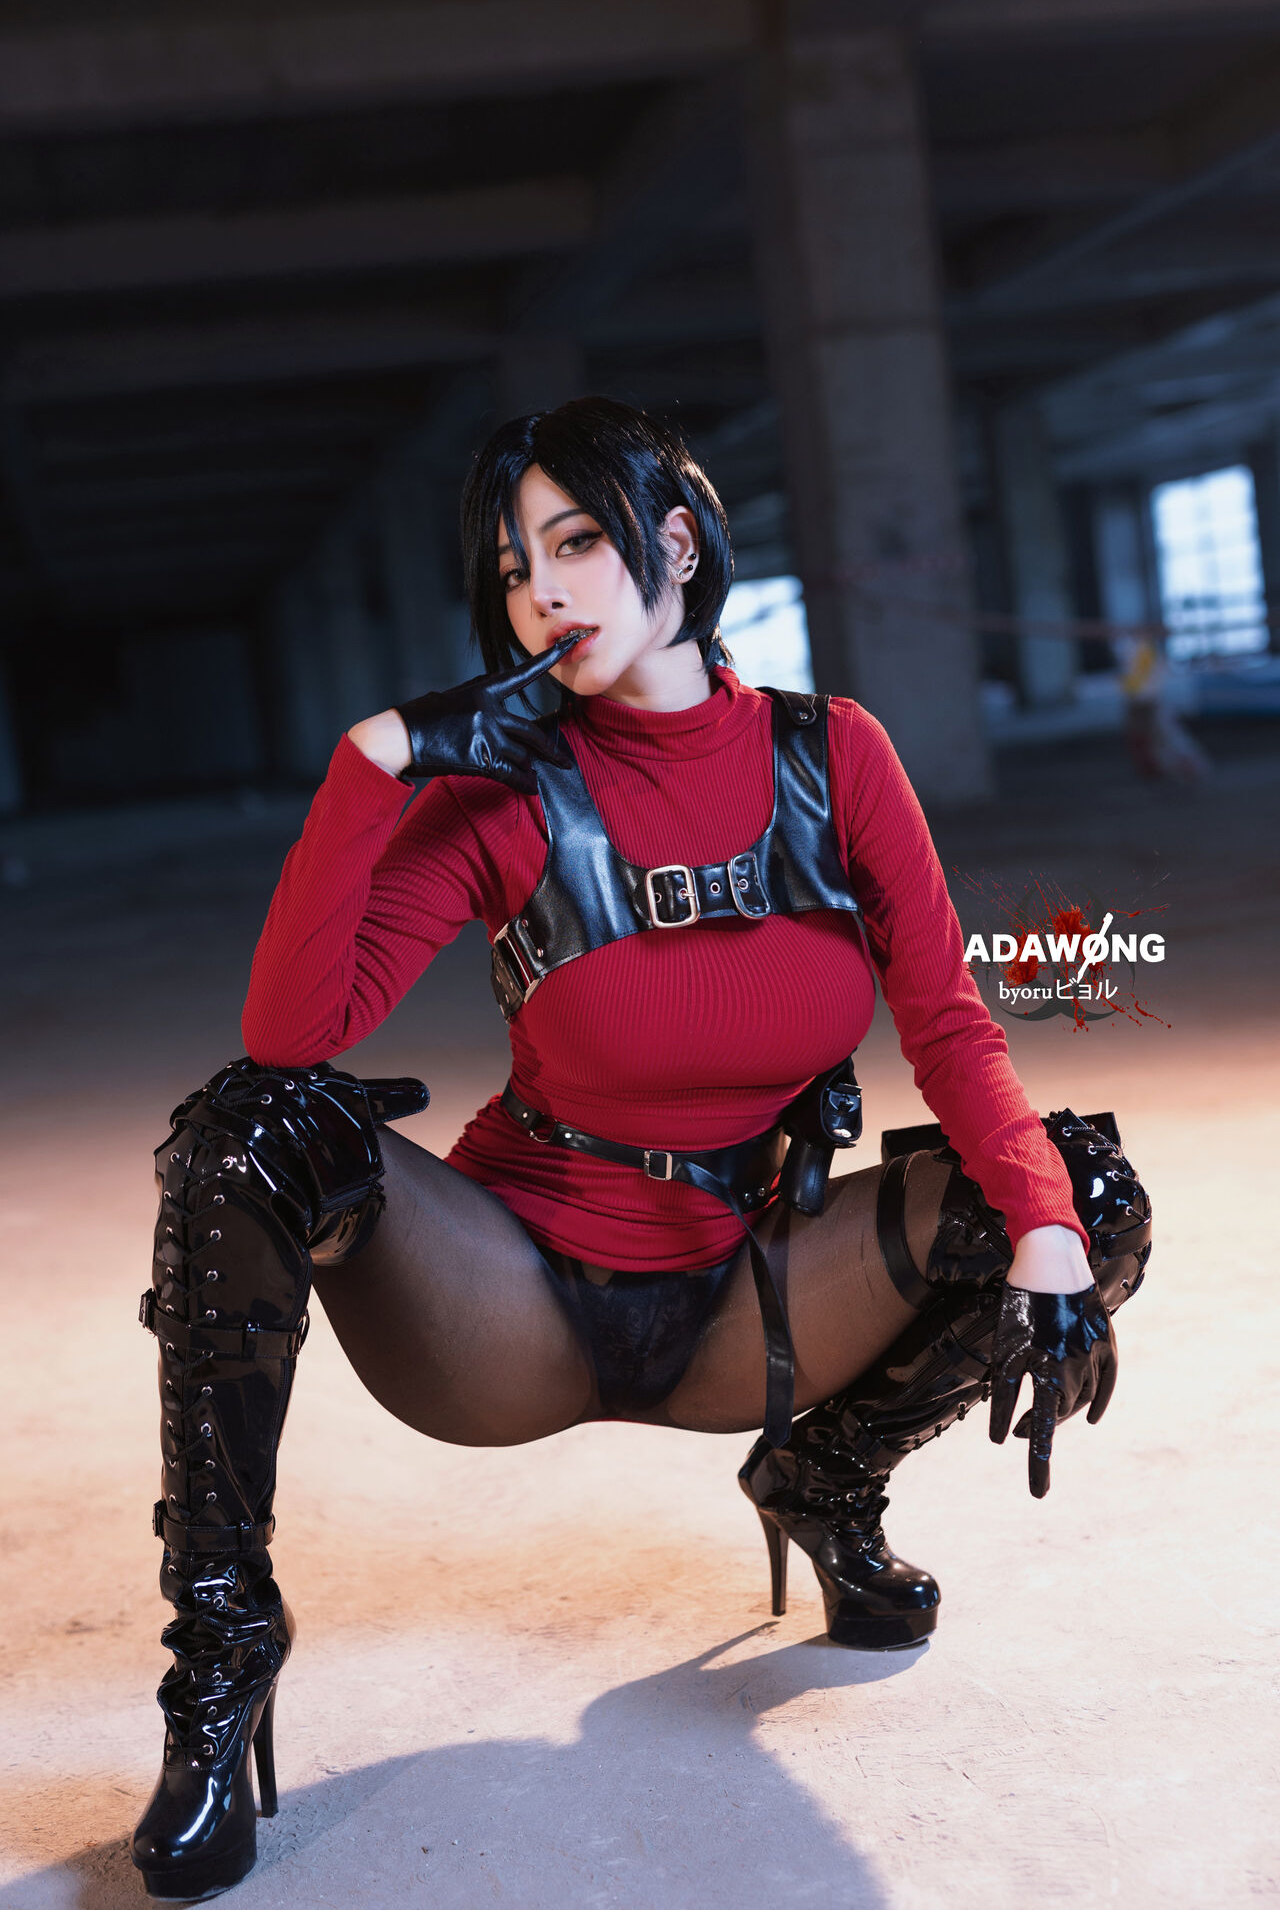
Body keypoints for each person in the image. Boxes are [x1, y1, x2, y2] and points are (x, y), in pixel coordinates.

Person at [130, 398, 1152, 1901]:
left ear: (675, 543)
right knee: (246, 1130)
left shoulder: (837, 756)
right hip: (513, 1306)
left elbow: (949, 1024)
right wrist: (376, 757)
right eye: (513, 568)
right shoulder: (498, 788)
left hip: (751, 1296)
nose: (541, 592)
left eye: (575, 543)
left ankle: (824, 1478)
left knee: (1081, 1194)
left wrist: (1046, 1229)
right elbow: (294, 1030)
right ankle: (223, 1649)